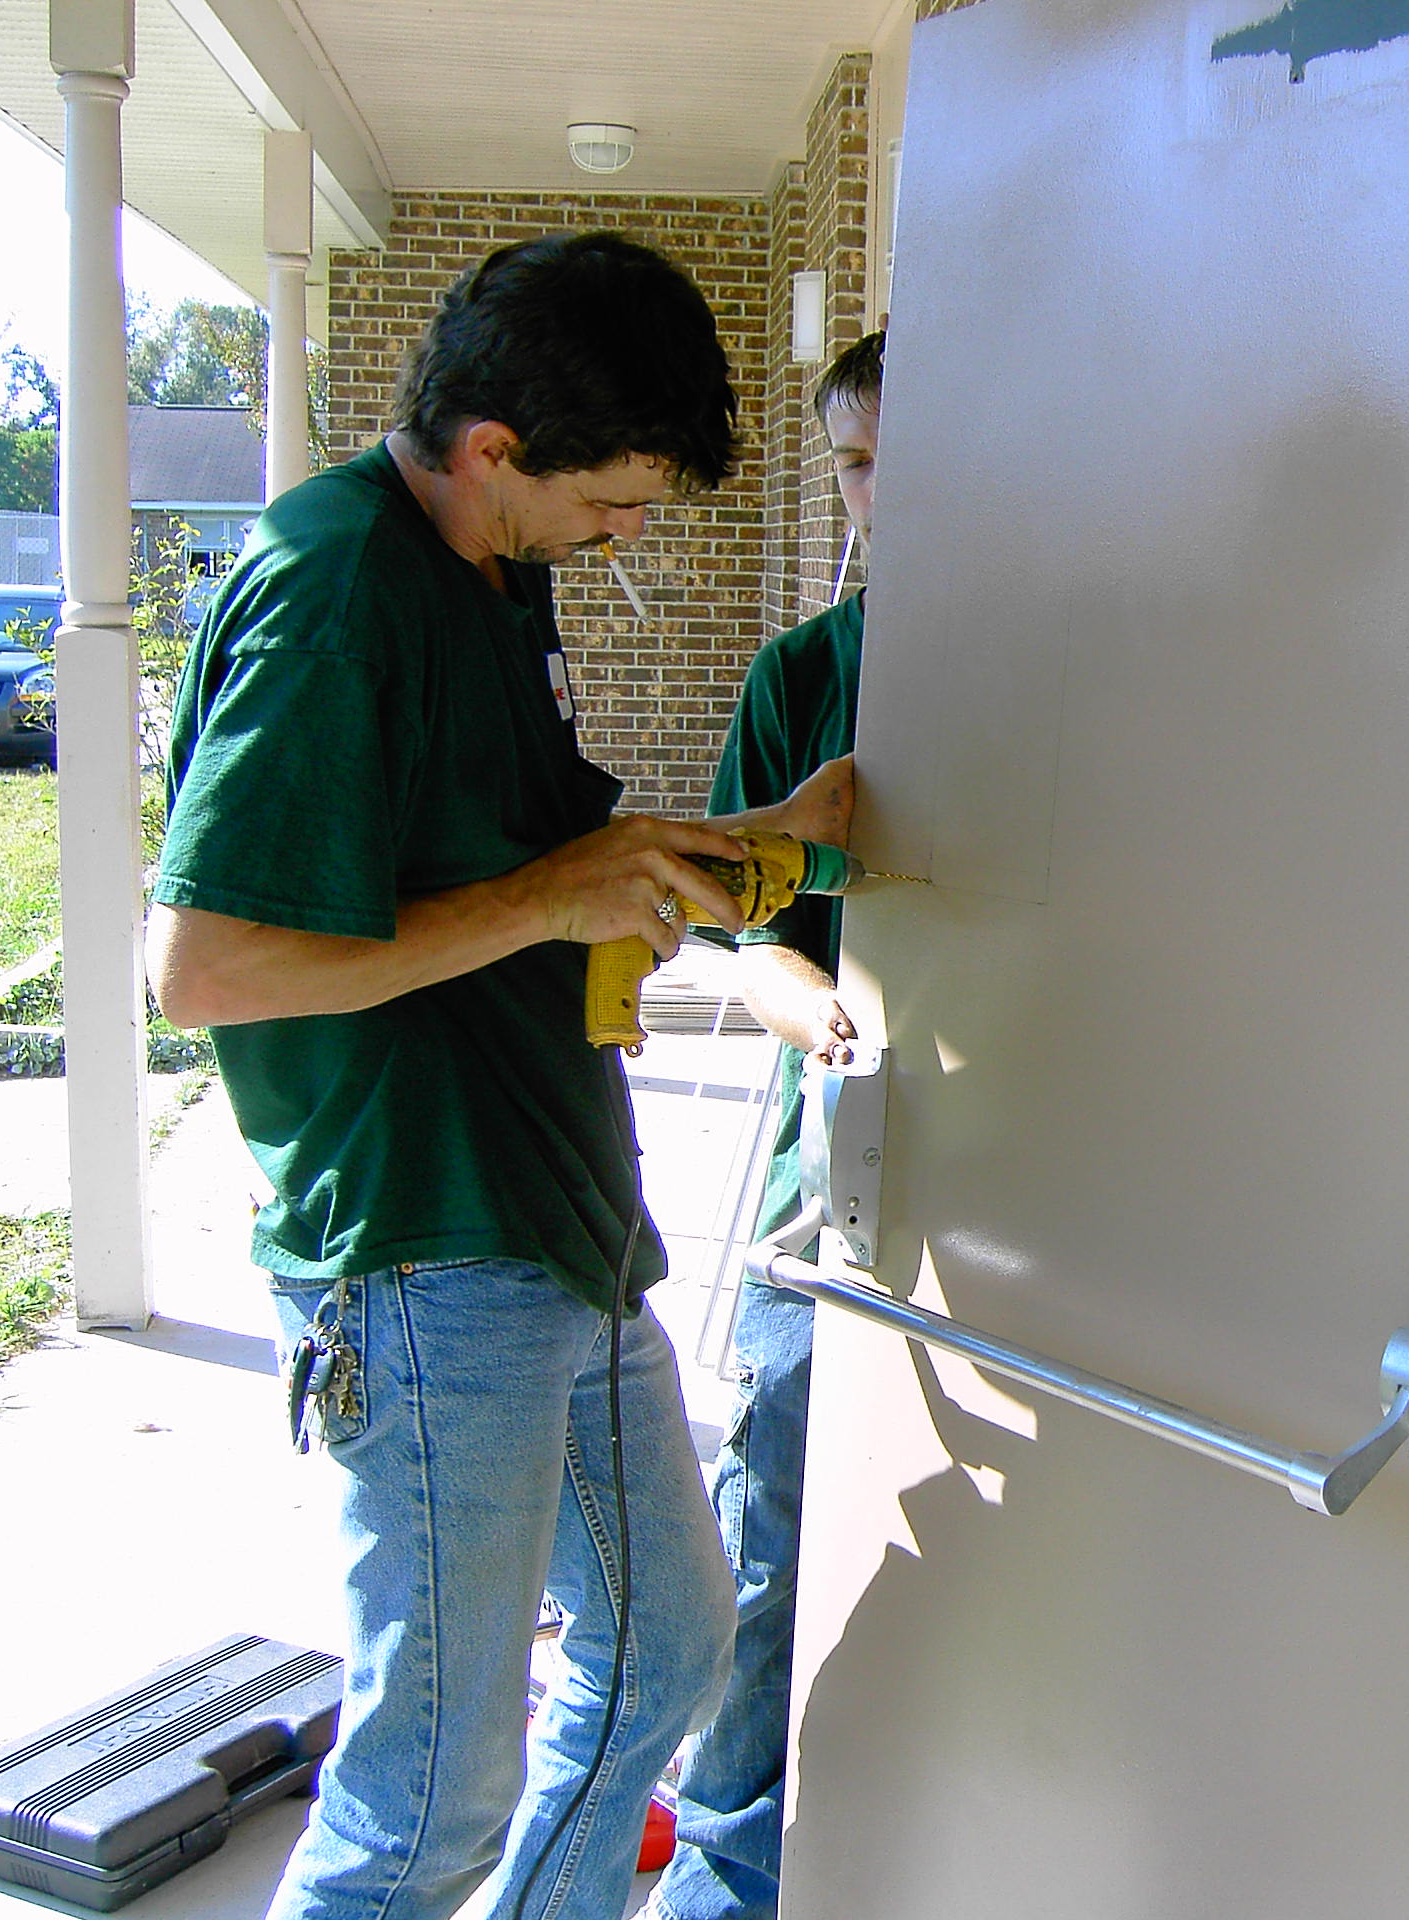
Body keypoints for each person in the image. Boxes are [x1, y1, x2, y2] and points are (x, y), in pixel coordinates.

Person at [146, 232, 853, 1920]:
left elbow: (535, 859)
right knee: (427, 1807)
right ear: (491, 447)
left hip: (554, 1219)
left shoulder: (491, 565)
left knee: (663, 1656)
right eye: (610, 503)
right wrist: (547, 902)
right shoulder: (336, 591)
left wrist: (760, 837)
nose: (625, 537)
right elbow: (205, 965)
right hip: (418, 1245)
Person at [650, 328, 883, 1920]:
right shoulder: (801, 674)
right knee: (771, 1504)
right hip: (841, 1160)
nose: (883, 497)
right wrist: (796, 993)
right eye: (857, 466)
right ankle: (730, 1862)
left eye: (913, 462)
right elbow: (735, 925)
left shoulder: (1085, 656)